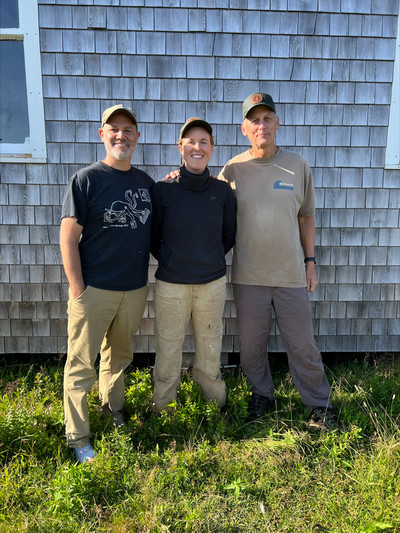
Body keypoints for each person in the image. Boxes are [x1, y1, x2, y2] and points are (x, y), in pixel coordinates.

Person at [218, 92, 336, 427]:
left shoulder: (298, 166)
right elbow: (207, 202)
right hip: (247, 276)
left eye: (267, 118)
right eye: (254, 120)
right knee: (252, 347)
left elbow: (306, 218)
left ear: (277, 123)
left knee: (303, 345)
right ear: (244, 128)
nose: (261, 125)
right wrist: (178, 180)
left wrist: (310, 262)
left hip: (290, 275)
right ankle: (261, 397)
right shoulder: (233, 169)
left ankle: (319, 405)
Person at [60, 104, 153, 462]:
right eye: (113, 129)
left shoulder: (144, 183)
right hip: (94, 289)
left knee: (118, 359)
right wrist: (78, 289)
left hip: (133, 289)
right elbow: (68, 238)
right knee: (82, 364)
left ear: (137, 138)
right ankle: (77, 437)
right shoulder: (86, 180)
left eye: (128, 130)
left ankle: (111, 413)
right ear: (102, 135)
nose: (121, 136)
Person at [150, 117, 236, 413]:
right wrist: (175, 261)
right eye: (191, 142)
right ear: (180, 147)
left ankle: (214, 405)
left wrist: (208, 259)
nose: (197, 147)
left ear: (211, 148)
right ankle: (164, 408)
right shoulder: (163, 189)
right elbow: (153, 237)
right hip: (171, 285)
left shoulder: (223, 192)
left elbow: (228, 235)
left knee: (210, 346)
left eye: (204, 142)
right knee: (168, 346)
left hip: (211, 284)